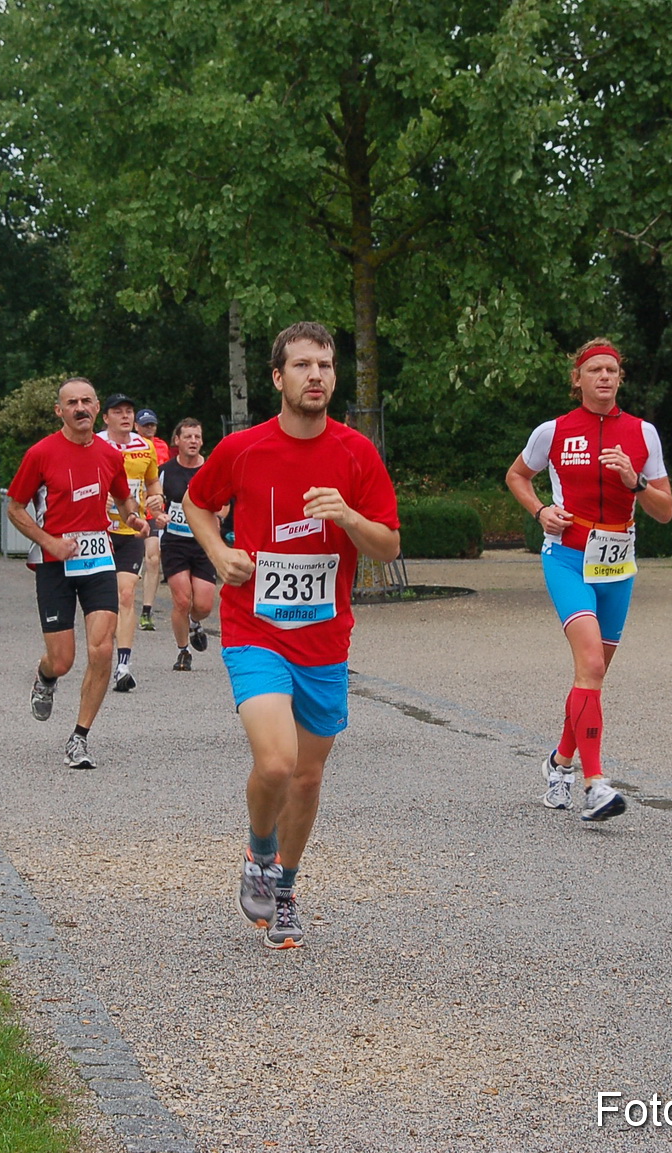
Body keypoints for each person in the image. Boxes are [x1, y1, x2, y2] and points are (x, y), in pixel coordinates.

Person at [185, 322, 400, 949]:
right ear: (277, 378)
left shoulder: (357, 453)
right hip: (254, 627)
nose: (317, 376)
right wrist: (218, 551)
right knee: (276, 761)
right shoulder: (243, 449)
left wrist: (349, 516)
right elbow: (199, 503)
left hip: (326, 640)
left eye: (326, 365)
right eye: (303, 365)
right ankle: (258, 851)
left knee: (307, 777)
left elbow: (387, 545)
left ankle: (284, 888)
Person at [505, 340, 672, 822]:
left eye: (612, 370)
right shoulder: (553, 431)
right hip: (567, 558)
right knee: (592, 665)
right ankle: (595, 784)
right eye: (594, 369)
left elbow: (665, 510)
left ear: (620, 379)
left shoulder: (643, 434)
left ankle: (559, 763)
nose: (604, 377)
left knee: (592, 676)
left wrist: (636, 483)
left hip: (618, 562)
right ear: (577, 379)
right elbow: (517, 476)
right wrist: (541, 510)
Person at [7, 378, 141, 769]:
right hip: (55, 564)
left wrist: (132, 514)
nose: (80, 408)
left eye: (86, 401)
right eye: (72, 403)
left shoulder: (110, 454)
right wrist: (49, 542)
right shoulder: (40, 453)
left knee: (102, 650)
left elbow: (121, 494)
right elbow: (15, 508)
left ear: (97, 407)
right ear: (59, 411)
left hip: (98, 559)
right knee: (62, 659)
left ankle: (79, 737)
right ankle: (46, 677)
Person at [98, 394, 163, 692]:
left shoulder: (144, 446)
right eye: (117, 411)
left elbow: (152, 482)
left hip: (130, 530)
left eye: (129, 411)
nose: (125, 416)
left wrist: (157, 499)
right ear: (106, 417)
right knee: (102, 603)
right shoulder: (95, 444)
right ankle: (99, 655)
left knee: (126, 595)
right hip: (99, 531)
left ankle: (123, 665)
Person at [158, 417, 221, 670]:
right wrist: (158, 515)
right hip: (174, 543)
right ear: (177, 441)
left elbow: (226, 504)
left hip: (204, 543)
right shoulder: (165, 472)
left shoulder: (212, 469)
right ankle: (183, 651)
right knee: (182, 600)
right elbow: (153, 501)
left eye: (197, 437)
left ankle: (196, 622)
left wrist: (217, 514)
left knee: (203, 604)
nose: (193, 441)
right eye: (188, 437)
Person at [135, 408, 172, 633]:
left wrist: (160, 503)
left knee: (153, 558)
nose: (149, 429)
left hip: (151, 511)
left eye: (152, 425)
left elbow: (160, 480)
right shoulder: (125, 446)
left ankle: (147, 611)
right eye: (145, 425)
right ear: (136, 426)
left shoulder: (161, 447)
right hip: (127, 511)